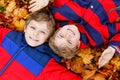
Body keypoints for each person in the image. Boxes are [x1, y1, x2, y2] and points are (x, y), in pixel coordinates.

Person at [28, 0, 120, 68]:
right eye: (69, 41)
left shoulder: (60, 12)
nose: (68, 35)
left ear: (58, 30)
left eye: (61, 35)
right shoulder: (96, 38)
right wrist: (112, 48)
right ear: (77, 45)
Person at [0, 9, 82, 80]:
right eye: (33, 28)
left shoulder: (46, 63)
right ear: (25, 28)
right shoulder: (8, 36)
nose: (35, 34)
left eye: (42, 32)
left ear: (48, 38)